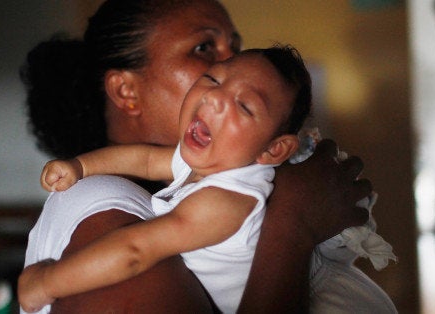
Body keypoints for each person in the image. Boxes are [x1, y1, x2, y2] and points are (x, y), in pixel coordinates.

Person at [20, 0, 397, 313]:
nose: (233, 68)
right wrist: (292, 221)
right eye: (206, 52)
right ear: (126, 91)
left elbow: (151, 163)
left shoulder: (215, 179)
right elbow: (144, 175)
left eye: (237, 45)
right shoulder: (101, 208)